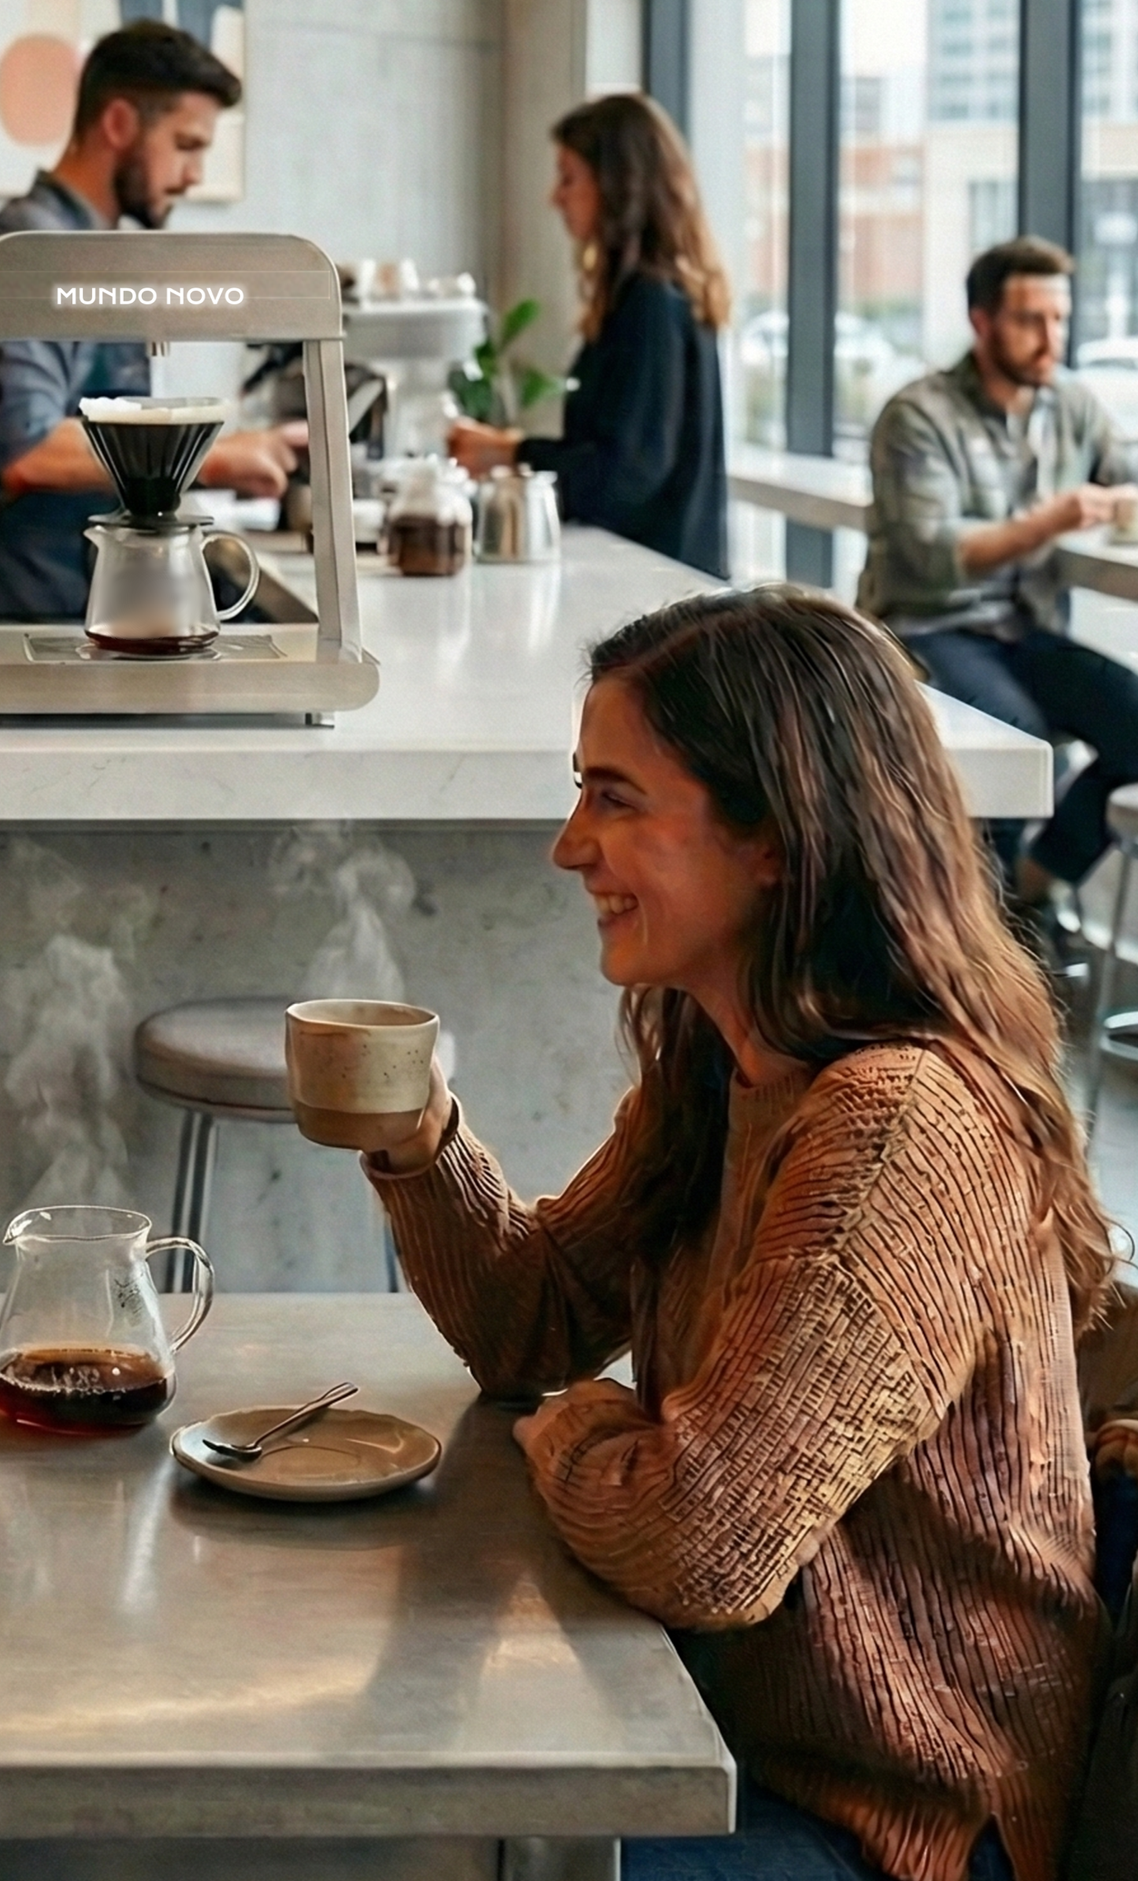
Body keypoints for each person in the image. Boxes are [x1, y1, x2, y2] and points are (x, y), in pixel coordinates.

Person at [360, 585, 1110, 1881]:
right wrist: (418, 1137)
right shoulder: (729, 1066)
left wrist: (588, 1426)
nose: (568, 847)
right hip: (724, 1730)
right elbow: (526, 1323)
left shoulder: (895, 1129)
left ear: (773, 835)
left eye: (615, 797)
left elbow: (700, 1542)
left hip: (899, 1821)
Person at [0, 21, 296, 622]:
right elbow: (28, 449)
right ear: (118, 125)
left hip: (100, 608)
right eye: (186, 146)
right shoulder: (28, 250)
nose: (195, 176)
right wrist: (210, 454)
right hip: (39, 625)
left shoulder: (93, 248)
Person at [858, 235, 1138, 921]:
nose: (1052, 338)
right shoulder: (918, 416)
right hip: (928, 624)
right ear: (981, 323)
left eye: (1060, 319)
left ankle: (1031, 890)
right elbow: (933, 555)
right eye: (1029, 320)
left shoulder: (1069, 403)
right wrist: (1050, 520)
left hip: (1026, 629)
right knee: (1014, 736)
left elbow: (1126, 477)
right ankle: (989, 951)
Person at [450, 93, 729, 578]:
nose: (555, 196)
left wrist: (510, 452)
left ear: (618, 185)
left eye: (569, 177)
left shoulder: (649, 303)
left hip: (655, 587)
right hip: (664, 578)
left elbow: (625, 474)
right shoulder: (657, 295)